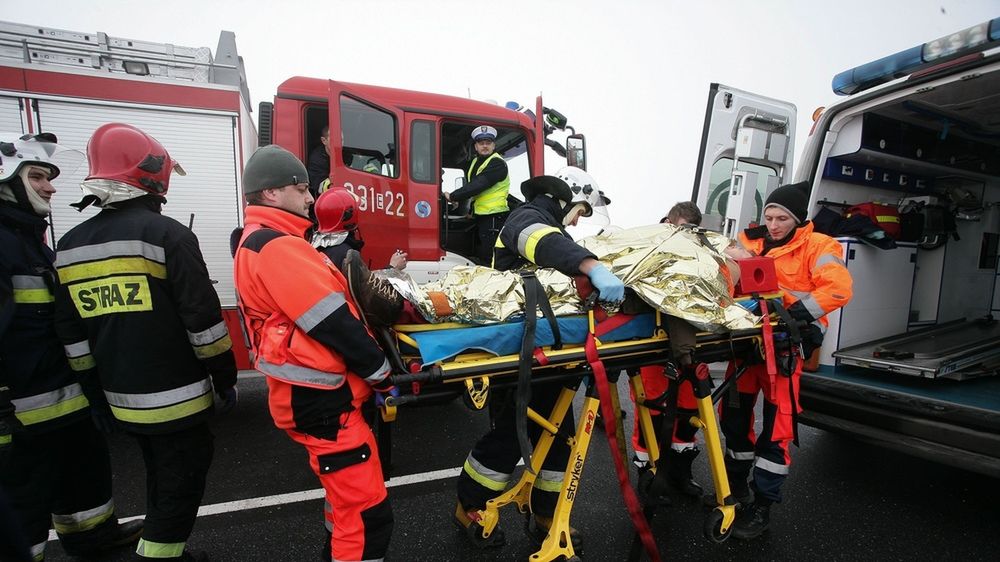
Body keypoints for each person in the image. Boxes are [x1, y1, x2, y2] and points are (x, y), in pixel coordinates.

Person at [53, 123, 238, 562]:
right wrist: (225, 377)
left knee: (160, 473)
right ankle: (159, 556)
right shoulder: (169, 235)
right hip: (178, 399)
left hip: (120, 399)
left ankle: (161, 549)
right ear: (153, 177)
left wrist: (96, 396)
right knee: (181, 483)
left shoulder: (69, 246)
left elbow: (72, 336)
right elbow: (204, 325)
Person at [232, 145, 394, 562]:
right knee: (367, 519)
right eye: (302, 189)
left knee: (345, 508)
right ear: (271, 193)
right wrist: (381, 373)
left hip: (311, 399)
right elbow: (332, 321)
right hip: (323, 403)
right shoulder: (277, 246)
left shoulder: (263, 241)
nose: (310, 198)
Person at [454, 171, 624, 549]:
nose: (577, 222)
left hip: (551, 353)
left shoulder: (552, 227)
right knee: (509, 437)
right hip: (520, 354)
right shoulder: (527, 218)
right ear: (565, 199)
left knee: (559, 437)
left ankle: (546, 512)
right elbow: (545, 244)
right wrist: (591, 266)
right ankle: (470, 506)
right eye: (579, 212)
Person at [0, 132, 143, 560]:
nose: (50, 187)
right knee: (24, 502)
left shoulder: (28, 240)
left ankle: (94, 539)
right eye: (37, 176)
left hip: (65, 402)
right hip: (23, 414)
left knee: (82, 481)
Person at [721, 182, 852, 539]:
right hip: (746, 346)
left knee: (777, 431)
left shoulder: (820, 246)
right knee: (733, 420)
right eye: (769, 217)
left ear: (798, 219)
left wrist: (793, 317)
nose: (774, 225)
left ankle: (762, 505)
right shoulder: (747, 243)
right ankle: (736, 487)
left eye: (782, 218)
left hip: (783, 350)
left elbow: (838, 289)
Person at [444, 125, 511, 265]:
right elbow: (478, 193)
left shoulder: (497, 163)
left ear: (493, 146)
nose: (485, 146)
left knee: (489, 256)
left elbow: (479, 185)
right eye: (481, 143)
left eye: (488, 143)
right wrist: (471, 212)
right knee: (480, 252)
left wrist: (453, 196)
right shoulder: (475, 162)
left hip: (494, 217)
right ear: (476, 146)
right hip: (482, 216)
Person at [312, 187, 407, 272]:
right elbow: (367, 284)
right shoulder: (347, 255)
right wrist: (392, 268)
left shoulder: (313, 248)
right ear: (349, 217)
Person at [307, 125, 331, 198]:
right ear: (324, 140)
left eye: (341, 140)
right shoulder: (316, 160)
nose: (339, 143)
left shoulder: (347, 154)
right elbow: (320, 188)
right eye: (335, 140)